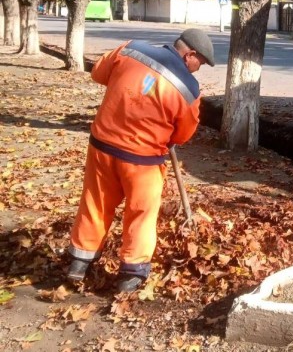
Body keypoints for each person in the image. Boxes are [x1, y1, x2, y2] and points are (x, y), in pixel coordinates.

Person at [66, 28, 215, 293]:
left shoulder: (130, 48)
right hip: (142, 161)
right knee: (141, 214)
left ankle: (79, 262)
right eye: (199, 62)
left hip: (102, 147)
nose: (198, 69)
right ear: (189, 54)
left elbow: (99, 73)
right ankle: (131, 275)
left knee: (95, 203)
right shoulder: (188, 89)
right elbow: (182, 134)